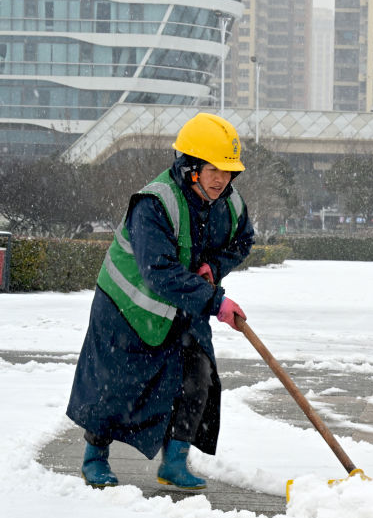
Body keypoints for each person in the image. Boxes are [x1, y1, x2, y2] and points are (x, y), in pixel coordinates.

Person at [67, 112, 255, 491]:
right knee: (115, 384)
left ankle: (174, 462)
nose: (222, 179)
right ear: (190, 167)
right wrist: (216, 301)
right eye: (213, 169)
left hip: (186, 304)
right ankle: (94, 457)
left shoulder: (229, 204)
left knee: (197, 377)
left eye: (228, 171)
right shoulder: (153, 203)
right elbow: (159, 272)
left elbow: (243, 241)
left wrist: (213, 266)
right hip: (127, 305)